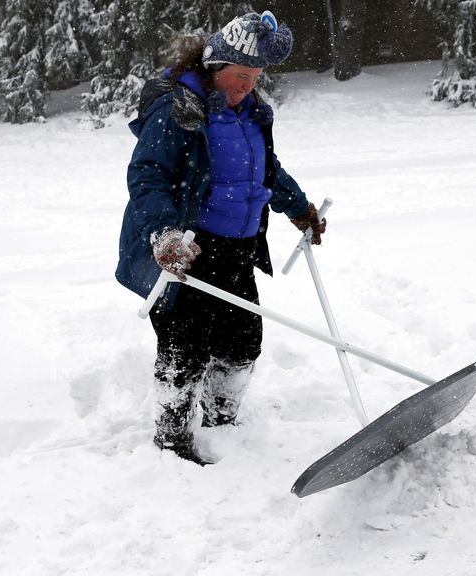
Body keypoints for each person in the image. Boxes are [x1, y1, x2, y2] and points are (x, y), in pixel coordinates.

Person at [115, 10, 327, 465]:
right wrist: (165, 234)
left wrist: (299, 207)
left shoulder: (251, 112)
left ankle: (221, 421)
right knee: (184, 352)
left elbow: (264, 170)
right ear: (216, 67)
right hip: (191, 249)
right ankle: (173, 443)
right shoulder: (180, 108)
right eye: (241, 76)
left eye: (256, 77)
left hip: (238, 249)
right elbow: (148, 175)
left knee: (242, 343)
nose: (248, 86)